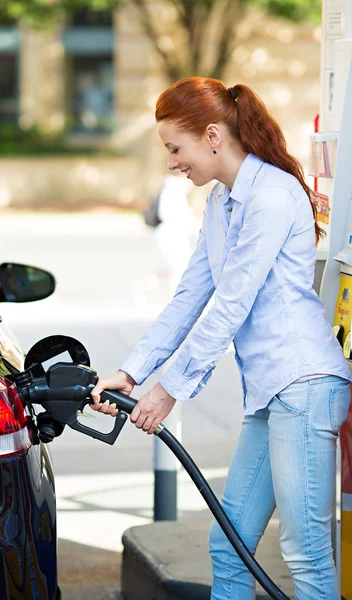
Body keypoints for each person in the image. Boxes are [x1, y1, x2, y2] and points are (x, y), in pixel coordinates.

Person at [90, 77, 352, 599]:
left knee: (305, 554)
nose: (171, 163)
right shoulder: (221, 203)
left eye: (174, 148)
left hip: (303, 385)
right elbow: (190, 296)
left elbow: (232, 303)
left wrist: (169, 390)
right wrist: (133, 371)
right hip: (271, 393)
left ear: (212, 135)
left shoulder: (272, 196)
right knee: (228, 545)